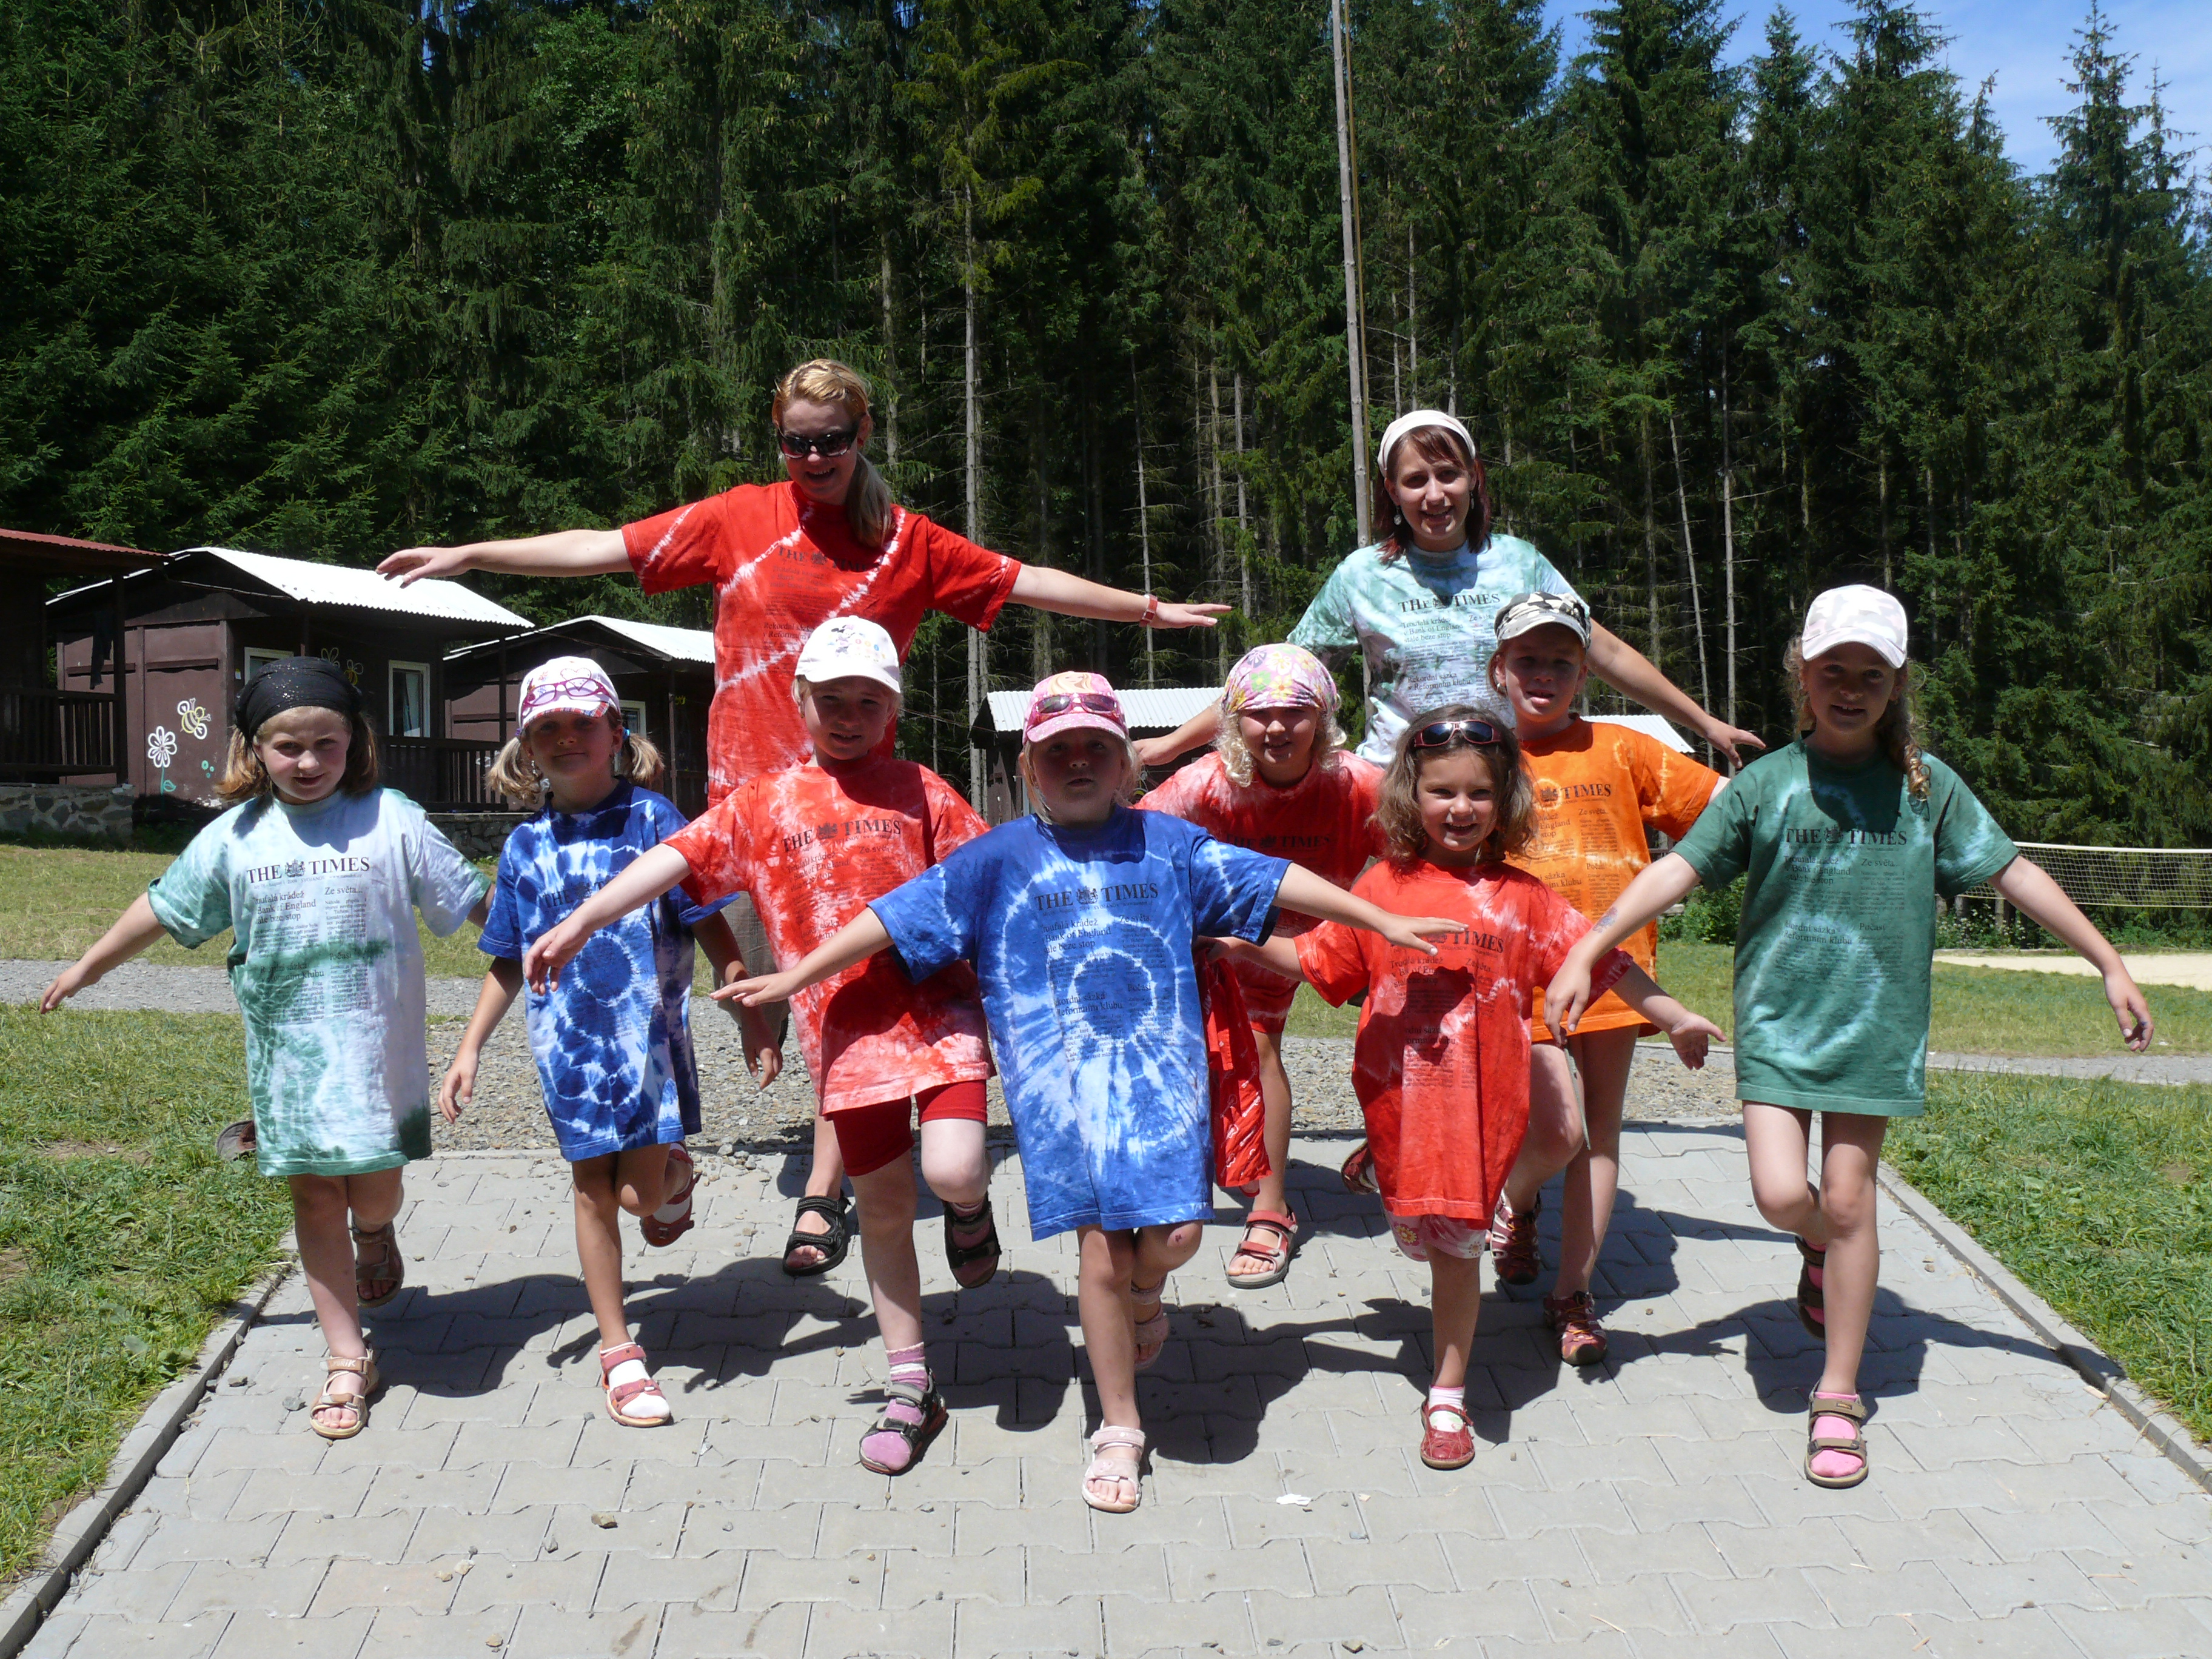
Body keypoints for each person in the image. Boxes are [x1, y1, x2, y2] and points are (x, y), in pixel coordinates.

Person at [378, 358, 1226, 1274]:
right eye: (797, 441)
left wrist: (1147, 611)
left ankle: (829, 1191)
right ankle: (780, 1173)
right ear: (778, 439)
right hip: (759, 806)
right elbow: (602, 546)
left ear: (863, 436)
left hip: (865, 807)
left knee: (850, 983)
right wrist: (473, 554)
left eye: (833, 440)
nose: (815, 457)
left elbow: (1026, 581)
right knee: (785, 994)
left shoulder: (906, 541)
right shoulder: (738, 518)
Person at [715, 672, 1456, 1512]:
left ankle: (1147, 1296)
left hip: (1161, 1091)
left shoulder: (1169, 846)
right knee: (1100, 1256)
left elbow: (1275, 879)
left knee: (1175, 1240)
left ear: (1125, 765)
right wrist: (796, 977)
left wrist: (1379, 921)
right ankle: (1119, 1429)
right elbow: (892, 919)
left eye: (1096, 748)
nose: (1077, 762)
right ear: (1029, 767)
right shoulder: (995, 861)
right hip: (1063, 1103)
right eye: (1057, 749)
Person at [1547, 585, 2156, 1489]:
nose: (1851, 688)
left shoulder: (1927, 787)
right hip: (1779, 1028)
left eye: (1872, 674)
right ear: (1802, 674)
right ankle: (1818, 1246)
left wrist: (2107, 960)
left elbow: (2013, 872)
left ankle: (1838, 1394)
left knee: (1850, 1195)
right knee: (1780, 1196)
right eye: (1834, 669)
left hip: (1876, 1031)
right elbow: (1676, 870)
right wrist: (1590, 946)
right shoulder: (1765, 785)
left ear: (1897, 684)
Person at [518, 620, 998, 1473]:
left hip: (941, 1016)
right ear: (799, 701)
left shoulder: (923, 790)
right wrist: (586, 917)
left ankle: (969, 1211)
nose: (849, 716)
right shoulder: (765, 803)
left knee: (955, 1168)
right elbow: (673, 861)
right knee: (884, 1209)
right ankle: (911, 1384)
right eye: (831, 700)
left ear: (892, 709)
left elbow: (994, 878)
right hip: (844, 1035)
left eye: (869, 702)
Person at [1218, 706, 1721, 1471]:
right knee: (1419, 1239)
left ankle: (1448, 1392)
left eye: (1480, 793)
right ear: (1409, 796)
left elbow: (1607, 963)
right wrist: (1236, 943)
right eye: (1443, 791)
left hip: (1481, 1114)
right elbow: (1316, 960)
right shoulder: (1382, 888)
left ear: (1505, 798)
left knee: (1456, 1253)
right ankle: (1383, 1169)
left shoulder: (1524, 899)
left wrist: (1674, 1014)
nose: (1461, 808)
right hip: (1400, 1109)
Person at [40, 658, 489, 1439]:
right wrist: (90, 965)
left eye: (326, 743)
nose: (308, 762)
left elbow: (479, 902)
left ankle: (375, 1233)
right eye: (288, 746)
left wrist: (556, 942)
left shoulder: (392, 820)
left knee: (374, 1190)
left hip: (379, 1057)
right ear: (254, 749)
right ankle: (347, 1358)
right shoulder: (236, 837)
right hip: (290, 1062)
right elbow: (163, 908)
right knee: (315, 1196)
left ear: (355, 742)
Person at [437, 658, 766, 1427]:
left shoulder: (653, 820)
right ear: (526, 748)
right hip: (568, 1053)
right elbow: (507, 958)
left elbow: (706, 915)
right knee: (592, 1189)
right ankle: (620, 1353)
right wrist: (469, 1047)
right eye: (546, 728)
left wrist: (748, 1006)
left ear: (617, 732)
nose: (565, 739)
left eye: (581, 723)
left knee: (637, 1197)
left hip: (647, 1047)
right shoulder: (524, 846)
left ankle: (672, 1179)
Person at [1134, 409, 1762, 769]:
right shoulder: (1361, 577)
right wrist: (1168, 746)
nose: (1434, 495)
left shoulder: (1519, 565)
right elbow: (1277, 682)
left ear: (1473, 478)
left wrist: (1704, 723)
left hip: (1505, 784)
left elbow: (1607, 652)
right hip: (1397, 790)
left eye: (1448, 475)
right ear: (1392, 491)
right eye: (1415, 481)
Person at [1481, 593, 1726, 1365]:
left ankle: (1573, 1294)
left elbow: (1729, 810)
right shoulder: (1484, 755)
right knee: (1554, 1131)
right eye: (1527, 659)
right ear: (1498, 670)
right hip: (1520, 980)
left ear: (1584, 674)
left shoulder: (1624, 749)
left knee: (1600, 1134)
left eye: (1561, 661)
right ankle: (1518, 1202)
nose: (1543, 674)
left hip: (1618, 976)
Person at [1138, 643, 1384, 1289]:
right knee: (1252, 1047)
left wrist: (1383, 934)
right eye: (1259, 713)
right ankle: (1271, 1209)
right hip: (1237, 938)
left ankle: (1393, 1146)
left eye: (1295, 712)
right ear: (1234, 721)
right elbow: (1134, 839)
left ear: (1323, 716)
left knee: (1417, 1032)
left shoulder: (1359, 783)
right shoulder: (1209, 782)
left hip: (1329, 933)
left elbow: (1416, 858)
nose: (1277, 727)